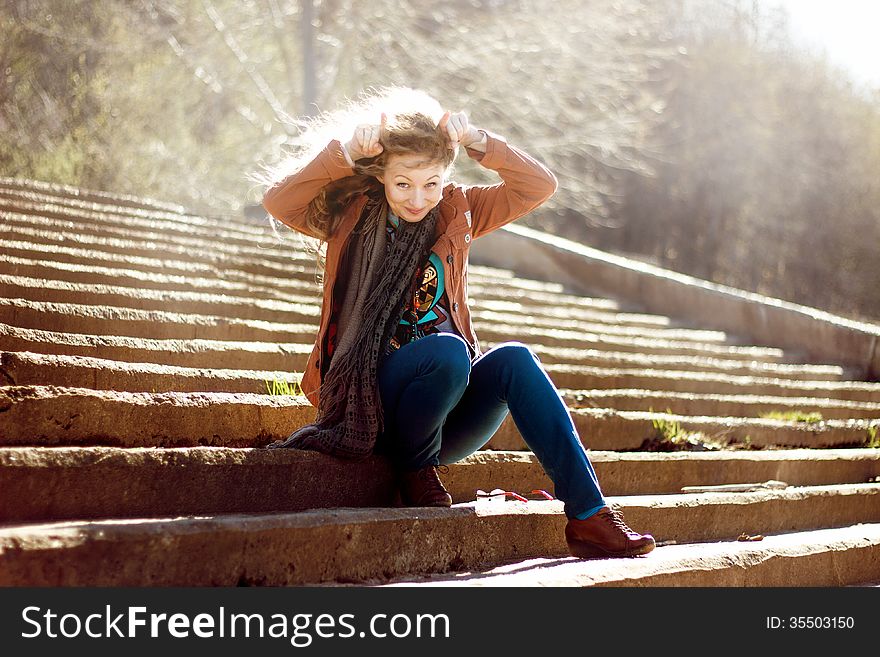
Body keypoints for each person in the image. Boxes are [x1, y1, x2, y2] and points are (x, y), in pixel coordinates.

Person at [260, 87, 654, 559]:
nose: (418, 197)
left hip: (445, 410)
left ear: (446, 175)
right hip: (370, 403)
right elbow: (280, 201)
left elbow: (538, 187)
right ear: (382, 175)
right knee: (446, 352)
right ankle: (414, 467)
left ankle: (590, 516)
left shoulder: (459, 209)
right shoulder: (351, 216)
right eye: (403, 183)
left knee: (515, 360)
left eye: (431, 182)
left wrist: (478, 140)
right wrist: (344, 154)